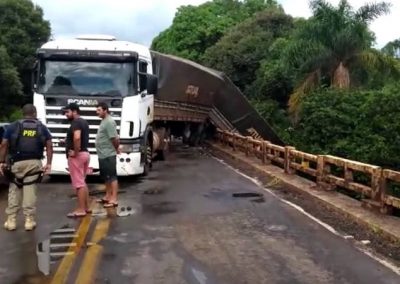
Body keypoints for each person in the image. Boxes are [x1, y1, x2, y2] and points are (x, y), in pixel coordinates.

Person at [0, 104, 52, 231]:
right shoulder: (42, 127)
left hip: (16, 163)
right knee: (30, 191)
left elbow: (4, 144)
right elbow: (49, 146)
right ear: (34, 113)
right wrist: (49, 163)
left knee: (14, 189)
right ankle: (29, 220)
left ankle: (11, 220)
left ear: (23, 113)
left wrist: (1, 161)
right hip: (34, 163)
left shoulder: (13, 126)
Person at [62, 102, 91, 217]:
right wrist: (67, 142)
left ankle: (80, 209)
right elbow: (79, 137)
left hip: (78, 156)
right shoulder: (83, 121)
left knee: (78, 184)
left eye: (67, 112)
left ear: (74, 111)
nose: (66, 115)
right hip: (85, 154)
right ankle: (86, 207)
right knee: (82, 182)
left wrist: (75, 152)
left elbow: (77, 137)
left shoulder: (76, 122)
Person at [95, 102, 120, 208]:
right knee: (106, 177)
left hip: (108, 153)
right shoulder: (104, 121)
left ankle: (114, 199)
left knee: (112, 176)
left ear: (105, 110)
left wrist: (116, 149)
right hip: (102, 154)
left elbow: (114, 138)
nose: (97, 112)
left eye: (99, 110)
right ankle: (108, 196)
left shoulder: (109, 122)